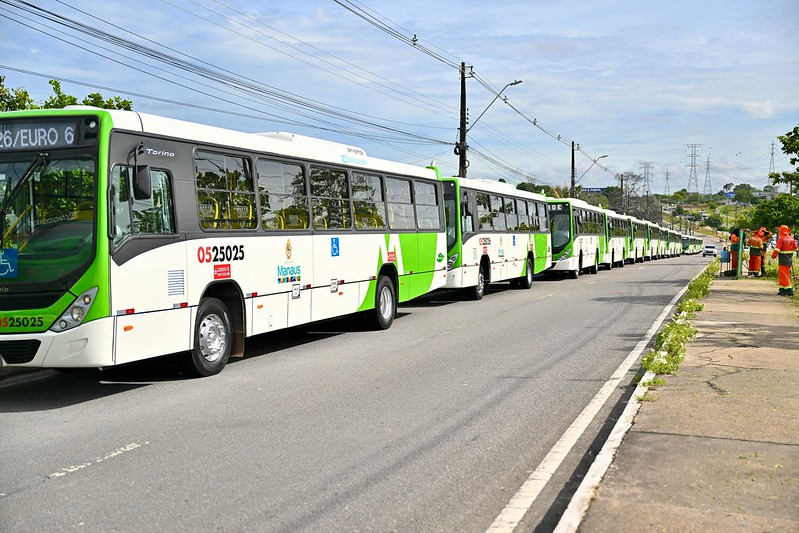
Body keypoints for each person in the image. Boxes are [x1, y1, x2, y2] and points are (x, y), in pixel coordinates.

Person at [771, 225, 797, 296]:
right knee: (785, 274)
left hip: (783, 259)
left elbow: (777, 249)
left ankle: (789, 289)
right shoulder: (792, 238)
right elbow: (796, 248)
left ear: (781, 231)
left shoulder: (781, 238)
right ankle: (782, 288)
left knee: (783, 274)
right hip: (789, 259)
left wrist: (773, 256)